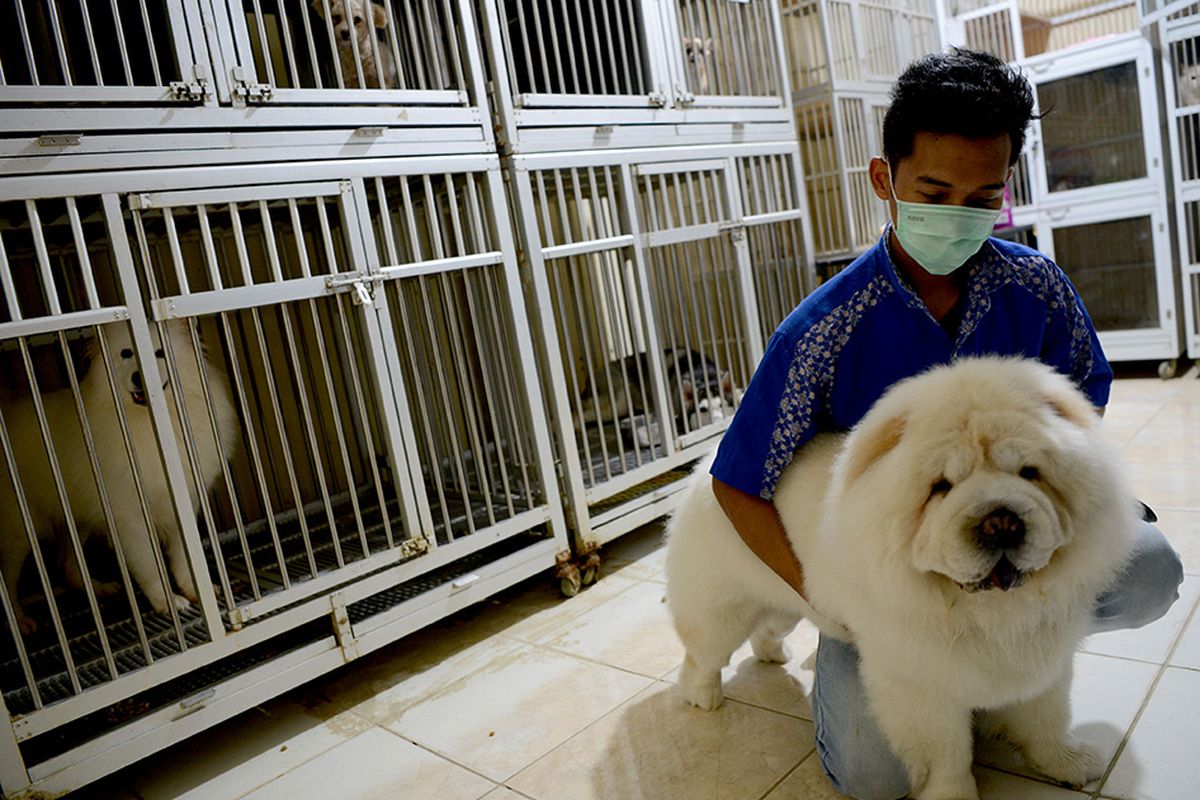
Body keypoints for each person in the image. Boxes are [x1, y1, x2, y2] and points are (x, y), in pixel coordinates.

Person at [708, 48, 1184, 800]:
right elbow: (738, 483)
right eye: (935, 190)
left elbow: (1083, 405)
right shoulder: (822, 332)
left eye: (982, 196)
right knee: (873, 776)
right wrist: (831, 598)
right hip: (889, 585)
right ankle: (942, 674)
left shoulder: (1036, 288)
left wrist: (1056, 492)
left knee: (1149, 570)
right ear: (883, 179)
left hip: (1019, 563)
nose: (958, 214)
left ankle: (1007, 668)